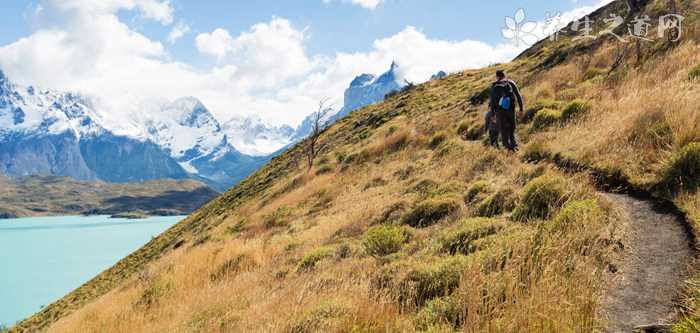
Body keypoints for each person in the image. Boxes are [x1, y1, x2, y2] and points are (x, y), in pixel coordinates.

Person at [489, 70, 523, 151]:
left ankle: (508, 149)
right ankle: (514, 146)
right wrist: (521, 109)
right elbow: (518, 96)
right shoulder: (510, 82)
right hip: (511, 109)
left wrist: (493, 114)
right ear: (504, 75)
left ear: (497, 76)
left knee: (503, 130)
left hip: (500, 112)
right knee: (512, 128)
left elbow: (492, 101)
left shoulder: (494, 86)